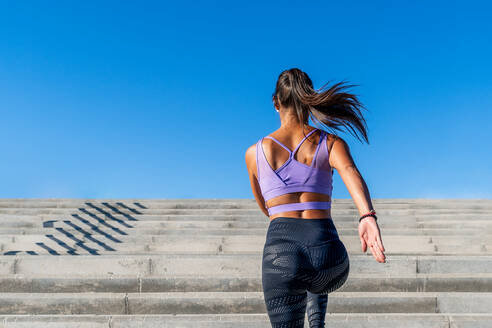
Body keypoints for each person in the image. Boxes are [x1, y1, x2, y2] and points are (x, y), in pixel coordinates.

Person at [244, 68, 386, 327]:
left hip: (281, 253)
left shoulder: (254, 153)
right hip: (327, 254)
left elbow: (266, 207)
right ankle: (317, 318)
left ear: (276, 102)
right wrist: (367, 215)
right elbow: (350, 172)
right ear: (309, 99)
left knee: (295, 271)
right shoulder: (331, 142)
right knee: (314, 274)